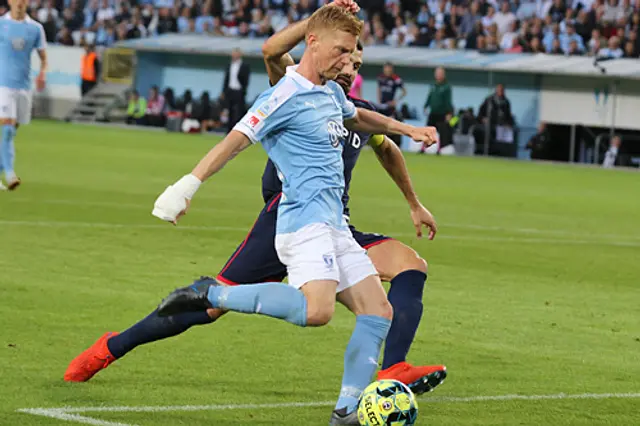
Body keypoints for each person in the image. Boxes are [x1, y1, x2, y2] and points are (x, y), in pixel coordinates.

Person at [72, 5, 435, 425]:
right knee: (317, 312)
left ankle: (345, 413)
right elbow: (236, 139)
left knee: (378, 312)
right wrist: (187, 186)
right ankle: (212, 294)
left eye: (353, 55)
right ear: (311, 43)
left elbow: (361, 117)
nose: (347, 62)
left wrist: (407, 129)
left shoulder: (332, 92)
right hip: (301, 221)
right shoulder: (283, 94)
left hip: (335, 222)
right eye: (341, 51)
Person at [0, 0, 47, 192]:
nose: (20, 2)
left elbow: (44, 58)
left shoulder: (36, 28)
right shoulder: (1, 24)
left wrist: (43, 73)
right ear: (9, 2)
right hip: (3, 85)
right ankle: (10, 174)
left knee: (11, 133)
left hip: (24, 87)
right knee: (8, 129)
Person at [422, 67, 453, 154]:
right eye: (437, 73)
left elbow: (448, 101)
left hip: (442, 113)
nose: (438, 75)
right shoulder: (433, 86)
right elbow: (429, 97)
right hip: (433, 112)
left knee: (440, 132)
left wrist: (449, 112)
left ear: (443, 75)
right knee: (427, 131)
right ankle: (423, 148)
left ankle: (439, 150)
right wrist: (425, 106)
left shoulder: (447, 87)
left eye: (440, 73)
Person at [222, 48, 251, 132]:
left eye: (236, 53)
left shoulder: (244, 65)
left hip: (239, 91)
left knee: (238, 112)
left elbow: (246, 80)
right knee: (229, 111)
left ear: (239, 54)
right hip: (230, 90)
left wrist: (244, 91)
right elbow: (226, 79)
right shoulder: (229, 65)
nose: (234, 55)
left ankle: (237, 130)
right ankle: (228, 130)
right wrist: (224, 91)